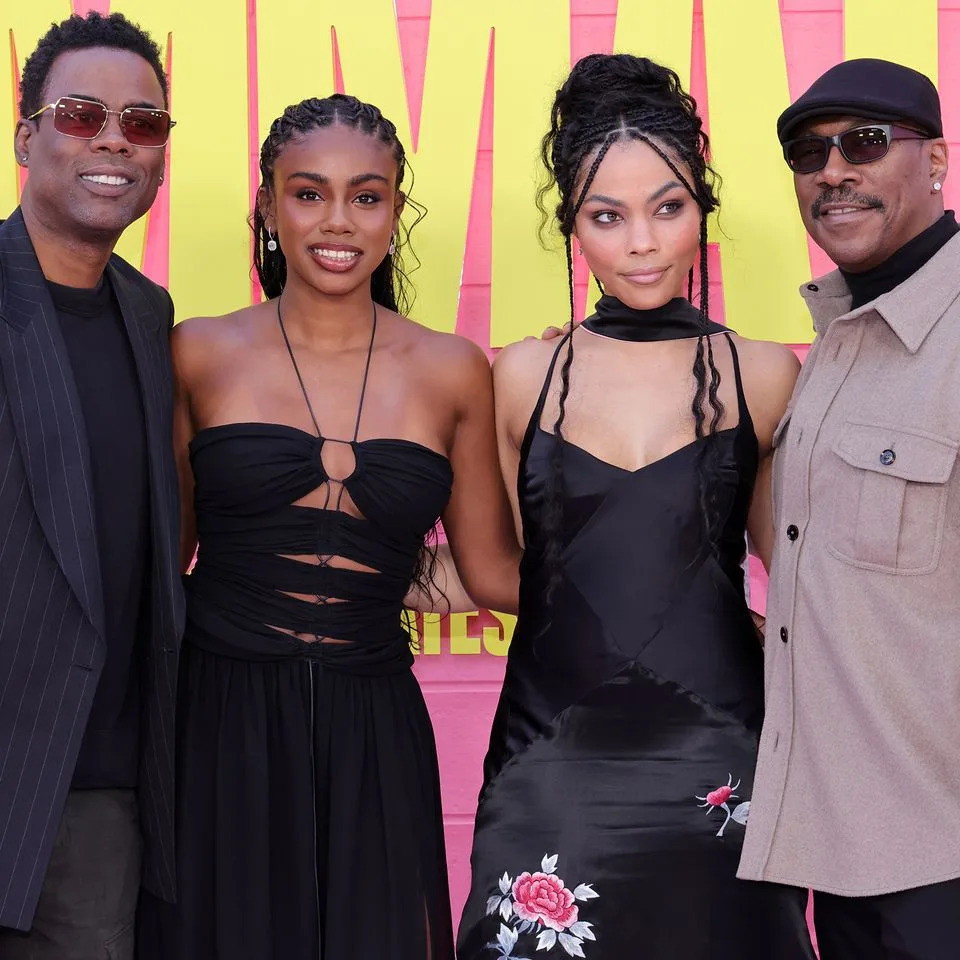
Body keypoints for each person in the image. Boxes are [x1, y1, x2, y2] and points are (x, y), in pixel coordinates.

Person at [136, 94, 520, 960]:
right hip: (216, 718)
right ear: (268, 206)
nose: (337, 221)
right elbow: (166, 558)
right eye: (308, 194)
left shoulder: (455, 369)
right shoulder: (197, 350)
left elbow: (493, 575)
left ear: (396, 209)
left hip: (371, 725)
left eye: (367, 195)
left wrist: (683, 603)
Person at [456, 54, 815, 959]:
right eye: (606, 217)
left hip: (723, 760)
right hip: (550, 764)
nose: (643, 242)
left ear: (704, 207)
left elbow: (805, 572)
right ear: (572, 227)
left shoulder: (766, 373)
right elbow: (502, 571)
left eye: (668, 207)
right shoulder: (521, 375)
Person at [738, 58, 960, 959]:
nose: (832, 170)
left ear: (936, 161)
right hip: (844, 851)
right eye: (808, 153)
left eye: (865, 144)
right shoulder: (833, 341)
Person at [0, 12, 182, 960]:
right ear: (27, 134)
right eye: (82, 114)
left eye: (143, 122)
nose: (115, 137)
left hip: (97, 801)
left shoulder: (150, 318)